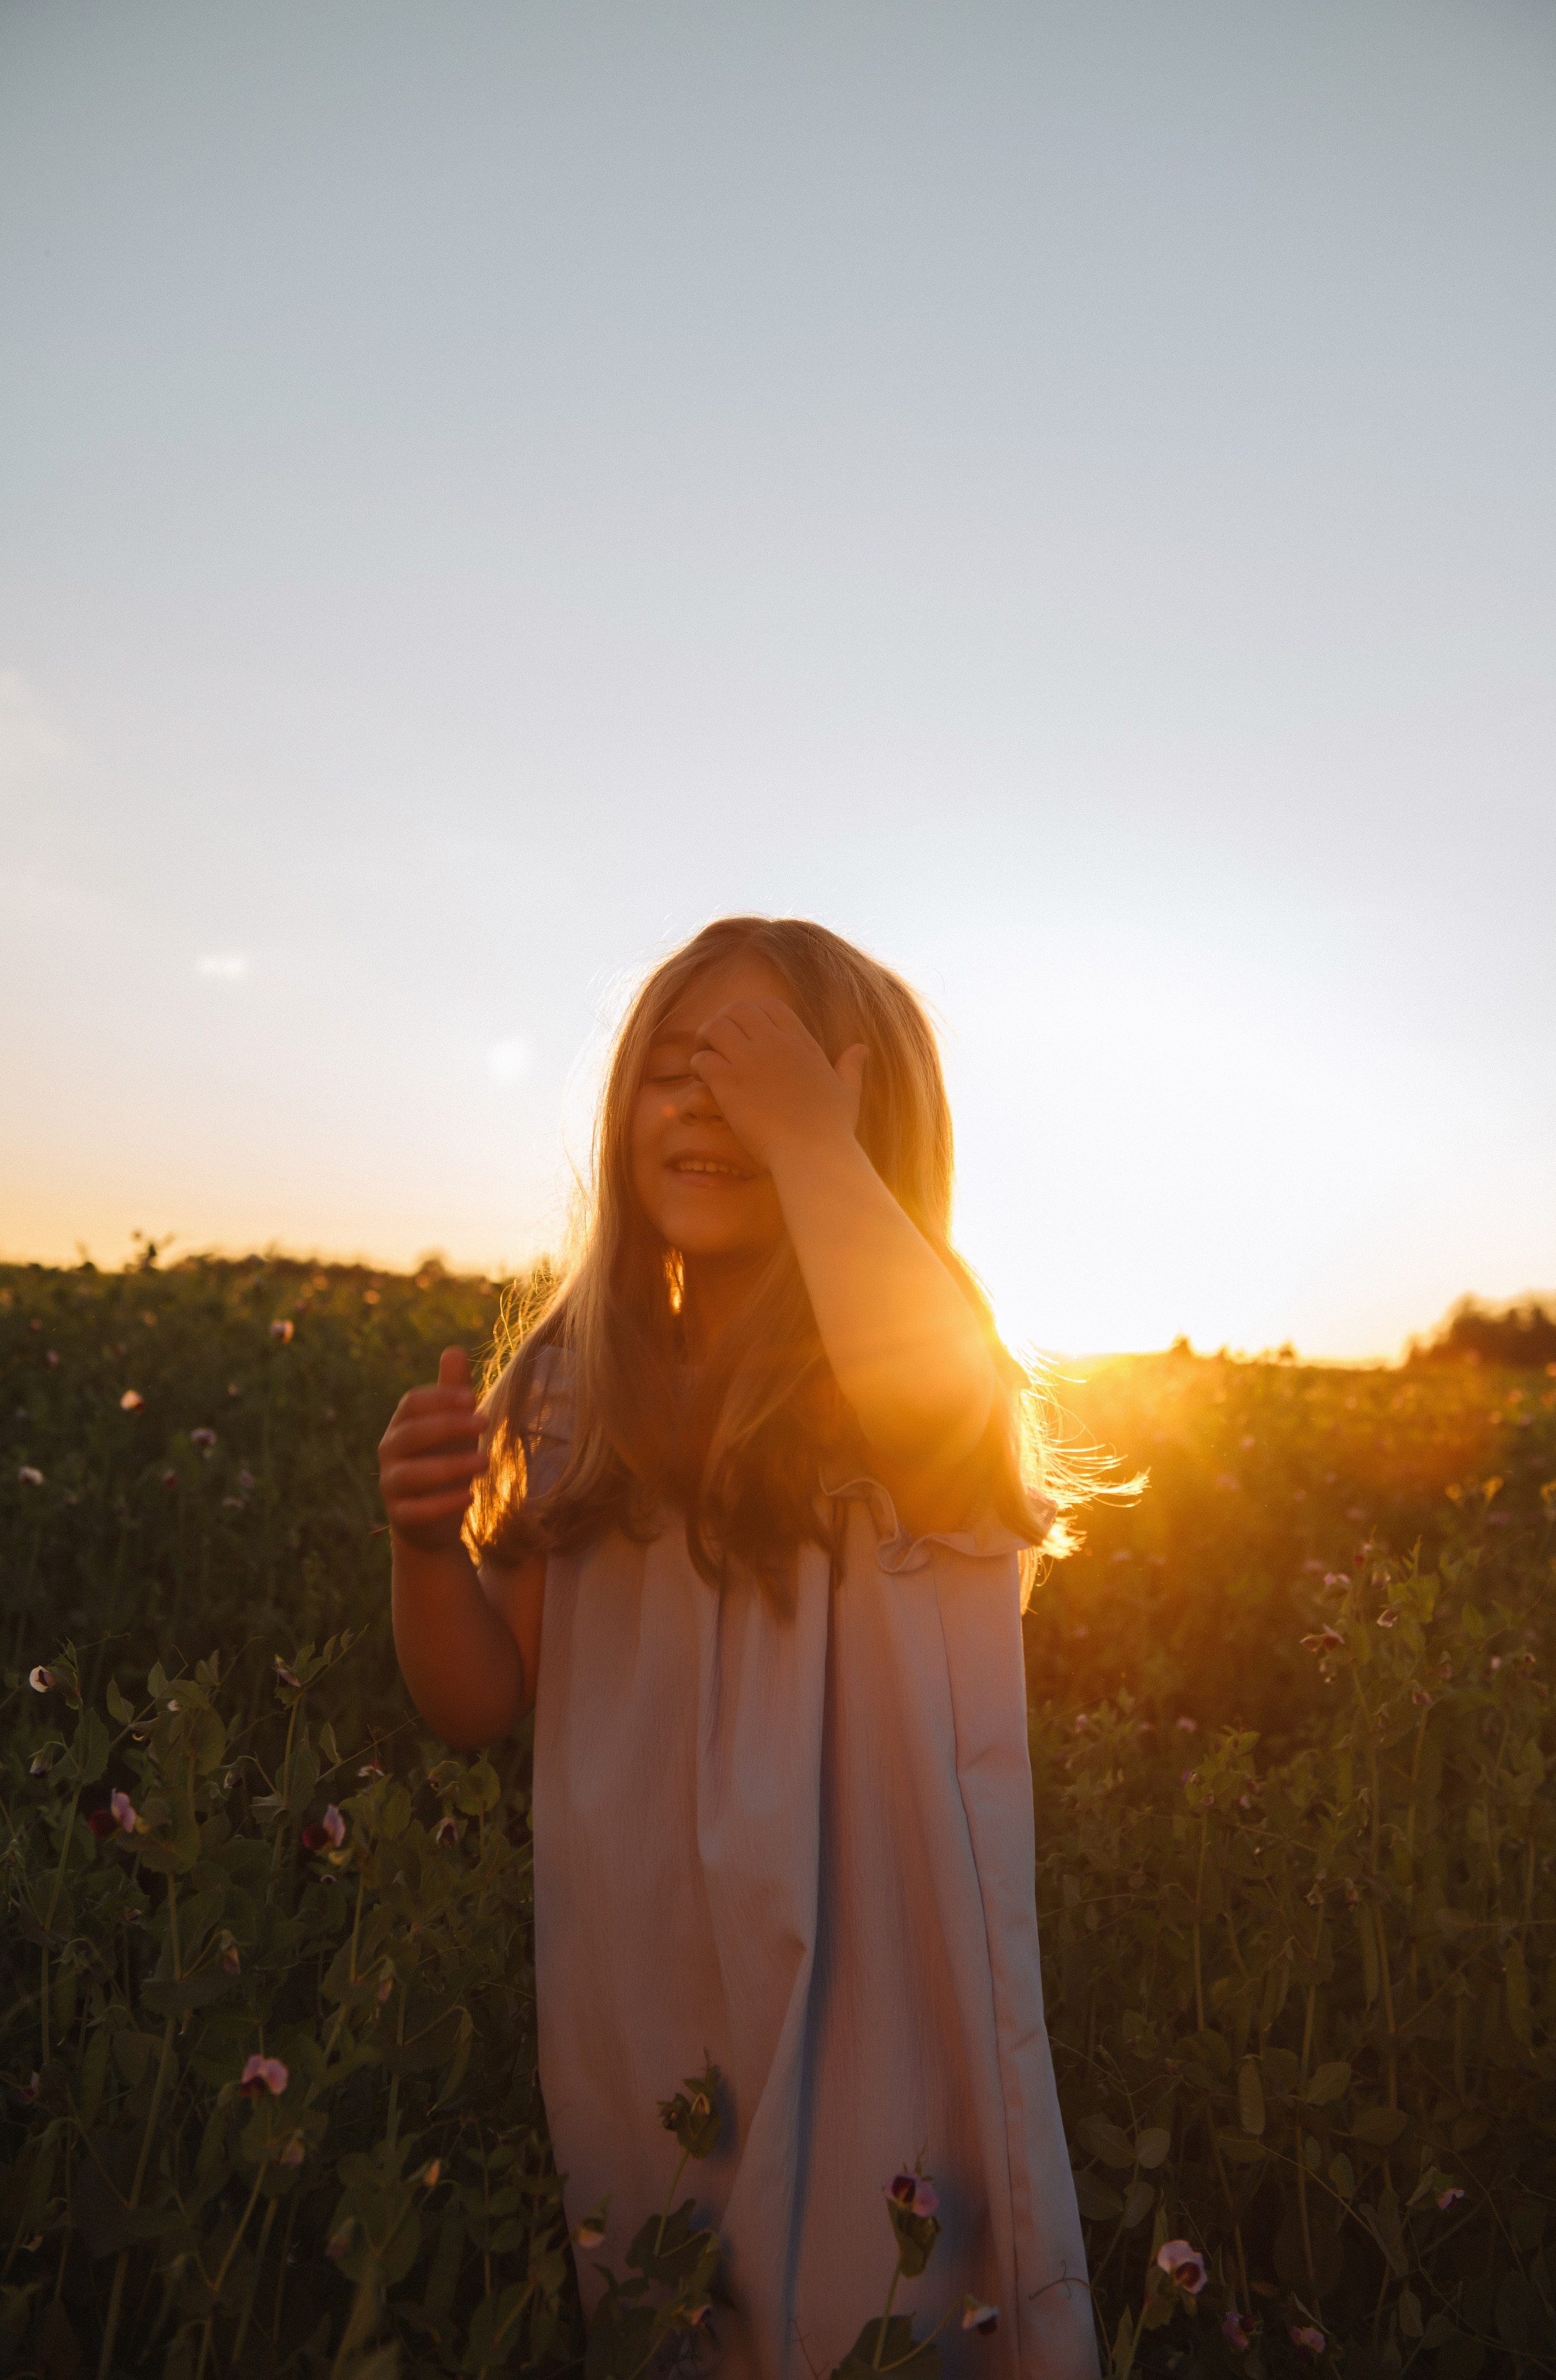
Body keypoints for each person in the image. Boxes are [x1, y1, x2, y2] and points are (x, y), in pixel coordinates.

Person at [378, 916, 1097, 2378]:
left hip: (871, 1963)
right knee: (666, 2293)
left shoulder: (903, 1388)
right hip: (638, 1969)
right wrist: (422, 1548)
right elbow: (477, 1703)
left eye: (763, 1072)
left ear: (860, 1130)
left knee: (875, 2307)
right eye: (675, 1066)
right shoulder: (575, 1401)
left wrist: (814, 1151)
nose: (709, 1101)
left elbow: (929, 1398)